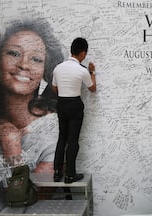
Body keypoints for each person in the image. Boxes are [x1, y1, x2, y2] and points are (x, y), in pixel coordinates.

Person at [0, 18, 64, 216]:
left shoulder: (53, 130)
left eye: (36, 59)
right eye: (13, 53)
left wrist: (11, 144)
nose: (23, 65)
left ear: (45, 72)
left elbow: (30, 202)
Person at [52, 37, 96, 183]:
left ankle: (57, 172)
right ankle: (70, 174)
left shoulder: (58, 68)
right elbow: (92, 88)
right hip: (75, 104)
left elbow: (54, 88)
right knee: (73, 140)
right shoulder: (82, 70)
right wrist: (92, 72)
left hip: (61, 103)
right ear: (83, 53)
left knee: (62, 138)